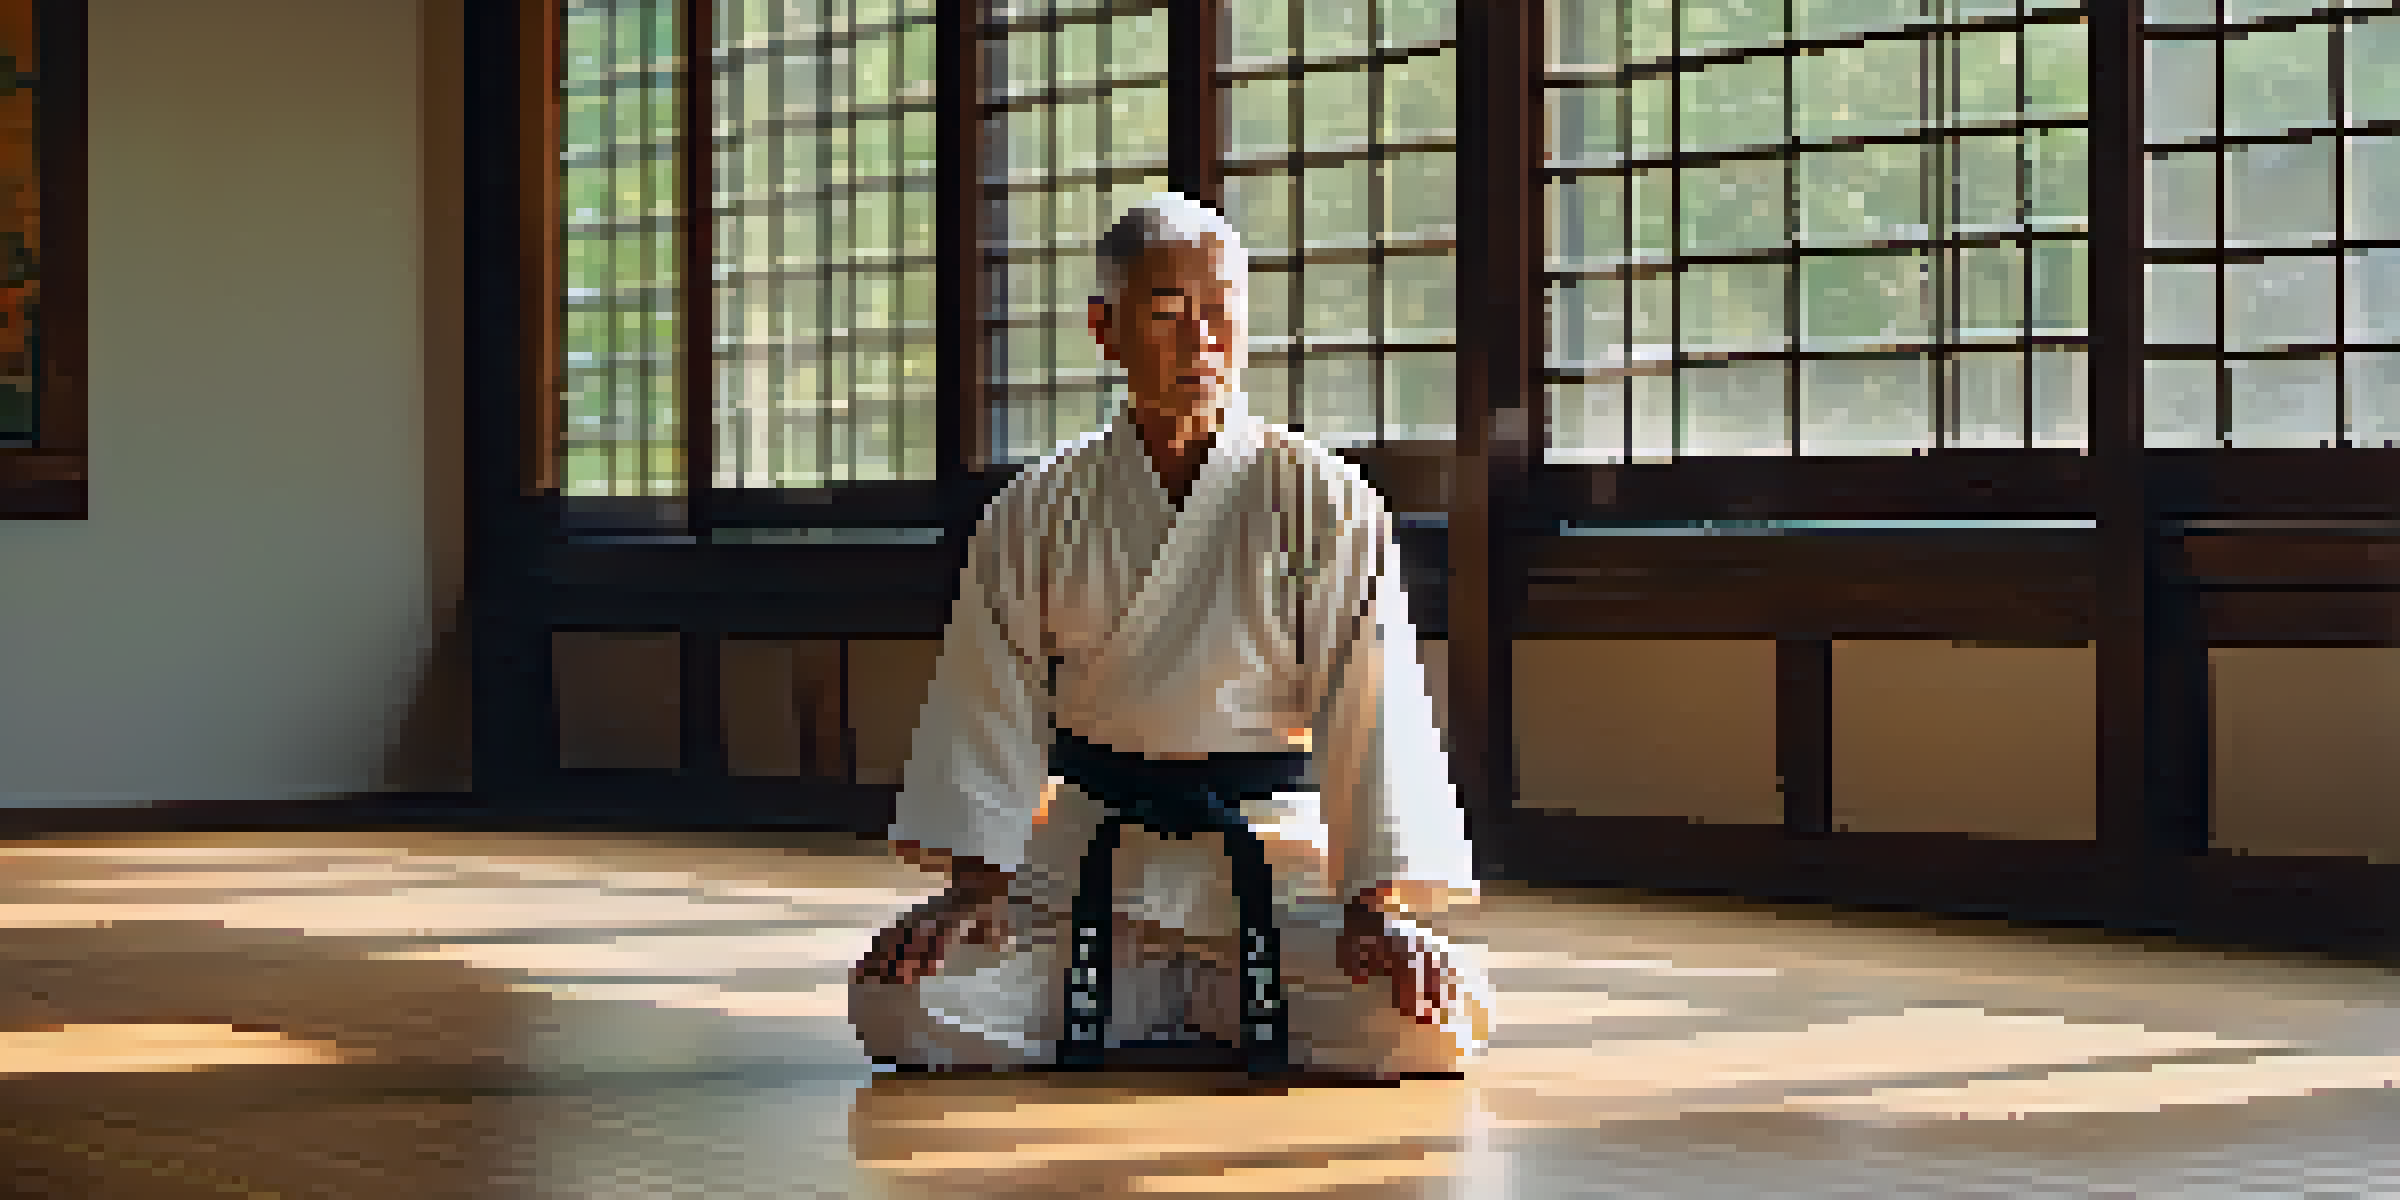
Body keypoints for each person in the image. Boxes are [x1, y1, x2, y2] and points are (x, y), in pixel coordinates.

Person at [848, 192, 1489, 1078]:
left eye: (1223, 313)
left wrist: (1375, 909)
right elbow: (985, 702)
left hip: (1269, 858)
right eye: (1166, 315)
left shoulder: (1323, 498)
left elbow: (1374, 708)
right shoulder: (1040, 508)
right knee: (899, 1002)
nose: (1202, 343)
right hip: (1087, 863)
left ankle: (1180, 997)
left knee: (1430, 1021)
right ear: (1104, 330)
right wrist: (977, 888)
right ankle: (1204, 1002)